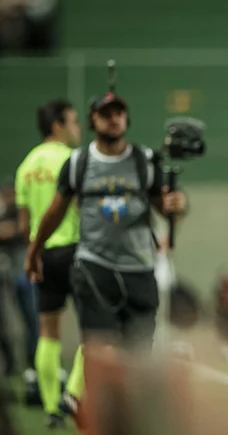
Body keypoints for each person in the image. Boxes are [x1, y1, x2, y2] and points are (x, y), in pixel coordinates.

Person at [24, 91, 187, 366]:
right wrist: (34, 250)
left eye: (118, 114)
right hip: (94, 269)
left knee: (138, 359)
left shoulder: (144, 161)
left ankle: (130, 408)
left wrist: (176, 207)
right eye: (106, 114)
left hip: (139, 270)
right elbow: (54, 212)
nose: (114, 120)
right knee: (100, 355)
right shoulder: (78, 163)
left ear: (126, 119)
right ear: (93, 120)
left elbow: (165, 206)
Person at [14, 99, 85, 428]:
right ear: (57, 125)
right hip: (74, 249)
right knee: (95, 328)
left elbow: (24, 221)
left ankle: (50, 409)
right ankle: (72, 392)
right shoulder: (72, 160)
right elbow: (84, 208)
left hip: (42, 255)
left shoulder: (26, 166)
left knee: (47, 331)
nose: (77, 129)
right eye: (73, 122)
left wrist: (34, 253)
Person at [0, 178, 39, 406]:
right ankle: (12, 368)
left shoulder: (21, 213)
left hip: (25, 276)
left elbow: (17, 230)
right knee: (6, 326)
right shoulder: (6, 212)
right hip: (8, 277)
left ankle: (32, 367)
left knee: (33, 323)